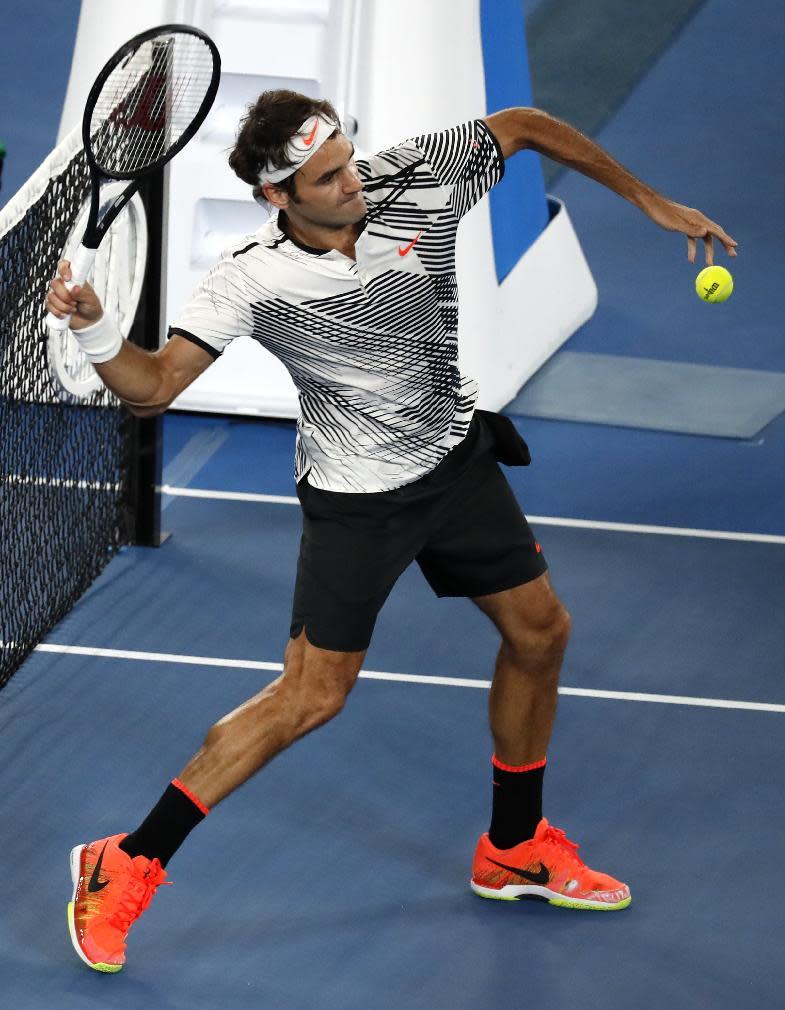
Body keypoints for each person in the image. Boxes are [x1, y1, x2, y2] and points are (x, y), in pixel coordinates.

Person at [48, 90, 737, 973]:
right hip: (358, 500)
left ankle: (514, 847)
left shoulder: (414, 179)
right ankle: (126, 860)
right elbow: (151, 388)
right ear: (277, 198)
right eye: (328, 178)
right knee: (310, 697)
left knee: (540, 632)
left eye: (348, 160)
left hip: (454, 463)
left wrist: (647, 199)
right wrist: (99, 325)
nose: (354, 183)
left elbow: (524, 125)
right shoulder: (249, 280)